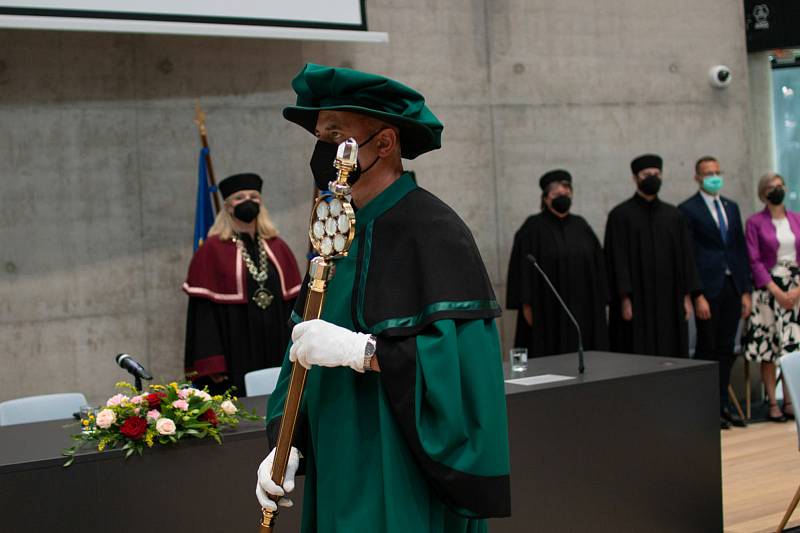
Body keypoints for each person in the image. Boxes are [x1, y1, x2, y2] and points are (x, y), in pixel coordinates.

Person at [255, 64, 511, 532]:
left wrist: (364, 352)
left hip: (405, 468)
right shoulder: (332, 229)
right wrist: (284, 441)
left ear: (385, 143)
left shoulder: (435, 231)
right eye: (319, 135)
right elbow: (300, 349)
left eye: (336, 133)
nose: (322, 149)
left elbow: (465, 373)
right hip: (337, 465)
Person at [183, 173, 302, 395]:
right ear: (227, 207)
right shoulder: (211, 251)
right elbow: (203, 317)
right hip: (235, 350)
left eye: (254, 196)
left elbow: (295, 305)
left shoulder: (278, 247)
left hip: (278, 346)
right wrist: (213, 363)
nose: (248, 201)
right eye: (240, 197)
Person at [678, 156, 752, 429]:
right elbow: (688, 255)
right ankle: (706, 407)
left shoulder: (731, 207)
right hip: (707, 290)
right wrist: (696, 294)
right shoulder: (688, 209)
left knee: (726, 348)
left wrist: (745, 291)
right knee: (707, 349)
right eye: (708, 173)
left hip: (732, 286)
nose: (714, 177)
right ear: (697, 177)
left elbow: (739, 249)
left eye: (717, 172)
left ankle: (722, 405)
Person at [604, 154, 700, 356]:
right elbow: (616, 260)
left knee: (671, 351)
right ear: (635, 178)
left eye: (657, 174)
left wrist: (686, 296)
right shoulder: (620, 216)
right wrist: (624, 298)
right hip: (636, 301)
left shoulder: (673, 215)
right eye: (646, 174)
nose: (652, 178)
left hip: (670, 299)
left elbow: (685, 258)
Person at [506, 169, 608, 357]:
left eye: (567, 193)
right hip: (547, 310)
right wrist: (526, 305)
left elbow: (598, 266)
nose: (563, 197)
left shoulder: (581, 225)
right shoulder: (532, 227)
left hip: (582, 307)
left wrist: (602, 301)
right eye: (557, 194)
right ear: (546, 198)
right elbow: (522, 269)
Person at [744, 172, 800, 422]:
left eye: (780, 185)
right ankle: (772, 401)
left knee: (793, 348)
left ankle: (790, 401)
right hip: (769, 292)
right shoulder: (755, 222)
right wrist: (776, 291)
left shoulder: (797, 219)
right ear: (762, 193)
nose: (777, 189)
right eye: (771, 187)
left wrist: (796, 291)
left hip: (796, 290)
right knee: (770, 349)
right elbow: (754, 260)